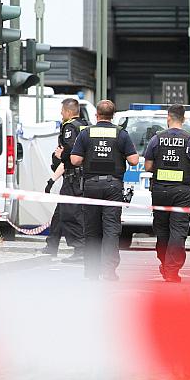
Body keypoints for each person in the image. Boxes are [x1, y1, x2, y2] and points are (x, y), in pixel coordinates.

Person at [70, 100, 139, 281]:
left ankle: (91, 271)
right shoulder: (121, 134)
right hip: (113, 186)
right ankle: (109, 271)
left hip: (91, 185)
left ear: (96, 115)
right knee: (111, 229)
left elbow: (75, 160)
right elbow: (133, 160)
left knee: (91, 230)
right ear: (113, 116)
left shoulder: (86, 133)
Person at [143, 104, 190, 282]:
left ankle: (164, 262)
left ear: (168, 118)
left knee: (162, 229)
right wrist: (189, 168)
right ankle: (172, 268)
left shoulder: (156, 139)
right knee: (178, 230)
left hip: (160, 190)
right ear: (184, 119)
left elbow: (148, 166)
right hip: (181, 191)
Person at [54, 98, 87, 263]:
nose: (61, 114)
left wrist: (60, 156)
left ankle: (80, 249)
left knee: (69, 213)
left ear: (68, 111)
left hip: (73, 177)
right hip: (84, 177)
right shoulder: (86, 124)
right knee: (79, 212)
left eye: (62, 111)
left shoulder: (69, 127)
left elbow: (70, 150)